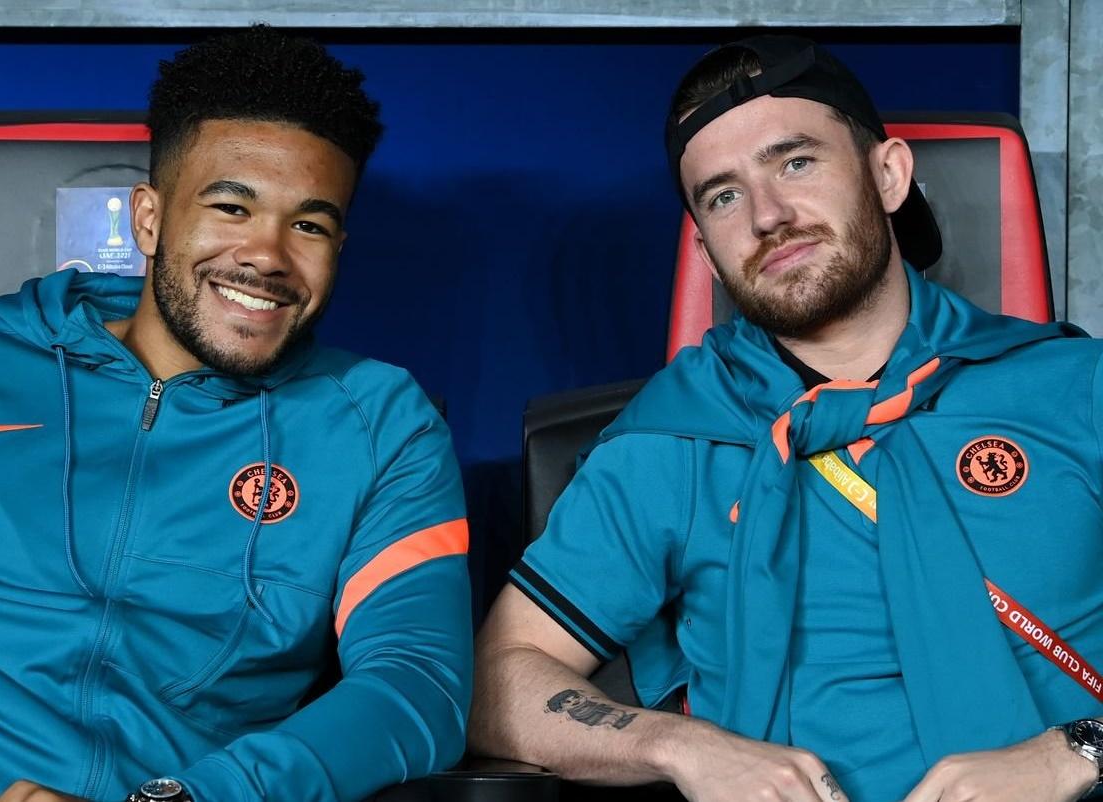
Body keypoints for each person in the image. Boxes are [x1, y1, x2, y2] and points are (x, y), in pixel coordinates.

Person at [469, 35, 1103, 802]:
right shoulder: (672, 438)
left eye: (795, 162)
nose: (767, 215)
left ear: (888, 174)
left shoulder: (1078, 387)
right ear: (708, 251)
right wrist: (680, 747)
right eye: (723, 196)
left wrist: (1076, 751)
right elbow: (498, 681)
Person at [0, 26, 472, 802]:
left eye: (309, 224)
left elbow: (417, 685)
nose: (268, 255)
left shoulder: (381, 425)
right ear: (148, 218)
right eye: (232, 206)